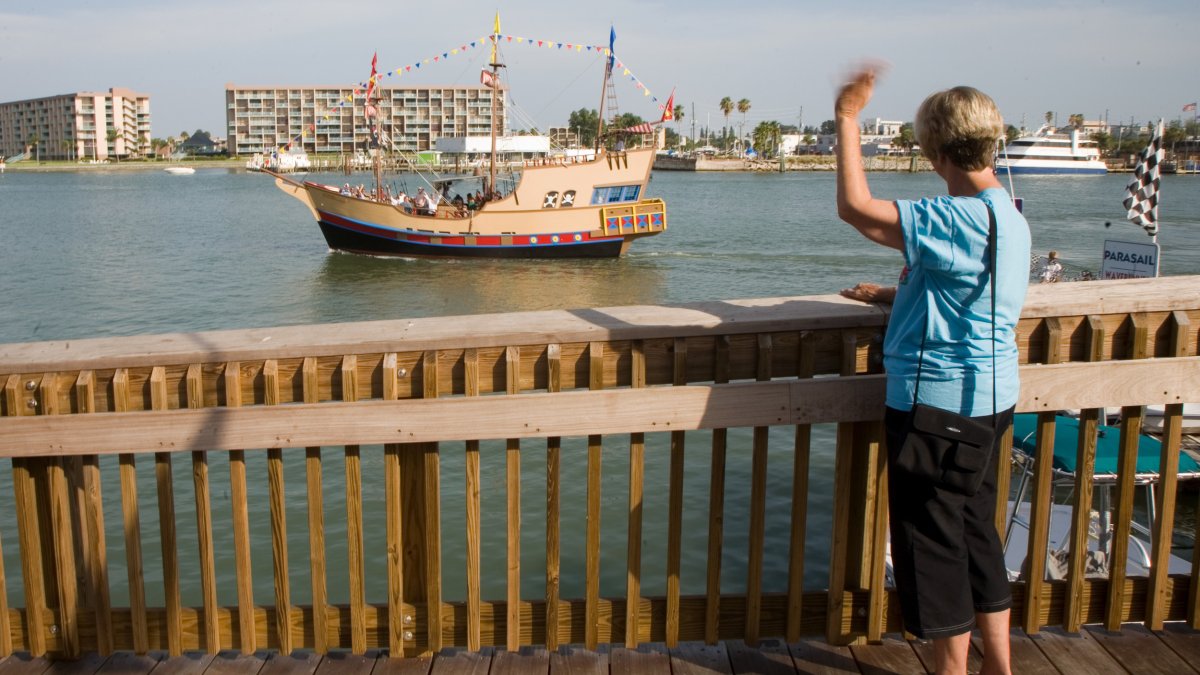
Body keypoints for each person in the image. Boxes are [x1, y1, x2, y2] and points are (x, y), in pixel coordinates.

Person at [835, 67, 1030, 675]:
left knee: (933, 545)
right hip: (991, 403)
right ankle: (999, 664)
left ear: (934, 151)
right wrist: (898, 297)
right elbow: (975, 292)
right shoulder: (1008, 215)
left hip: (937, 409)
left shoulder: (958, 217)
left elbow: (858, 210)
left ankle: (950, 670)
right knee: (975, 533)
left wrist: (847, 117)